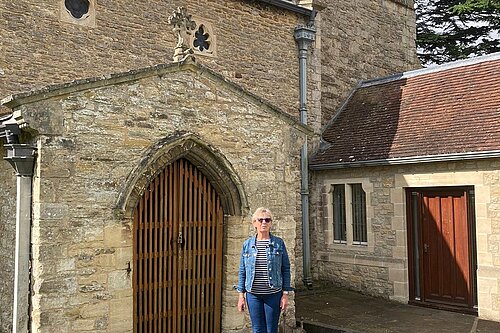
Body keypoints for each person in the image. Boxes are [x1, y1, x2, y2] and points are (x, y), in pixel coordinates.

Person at [236, 207, 292, 333]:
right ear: (254, 223)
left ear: (271, 223)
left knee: (271, 330)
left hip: (273, 294)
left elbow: (285, 269)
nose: (264, 223)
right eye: (260, 220)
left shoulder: (278, 243)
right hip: (253, 295)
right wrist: (241, 296)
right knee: (257, 329)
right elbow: (242, 271)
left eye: (267, 220)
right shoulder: (247, 245)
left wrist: (285, 294)